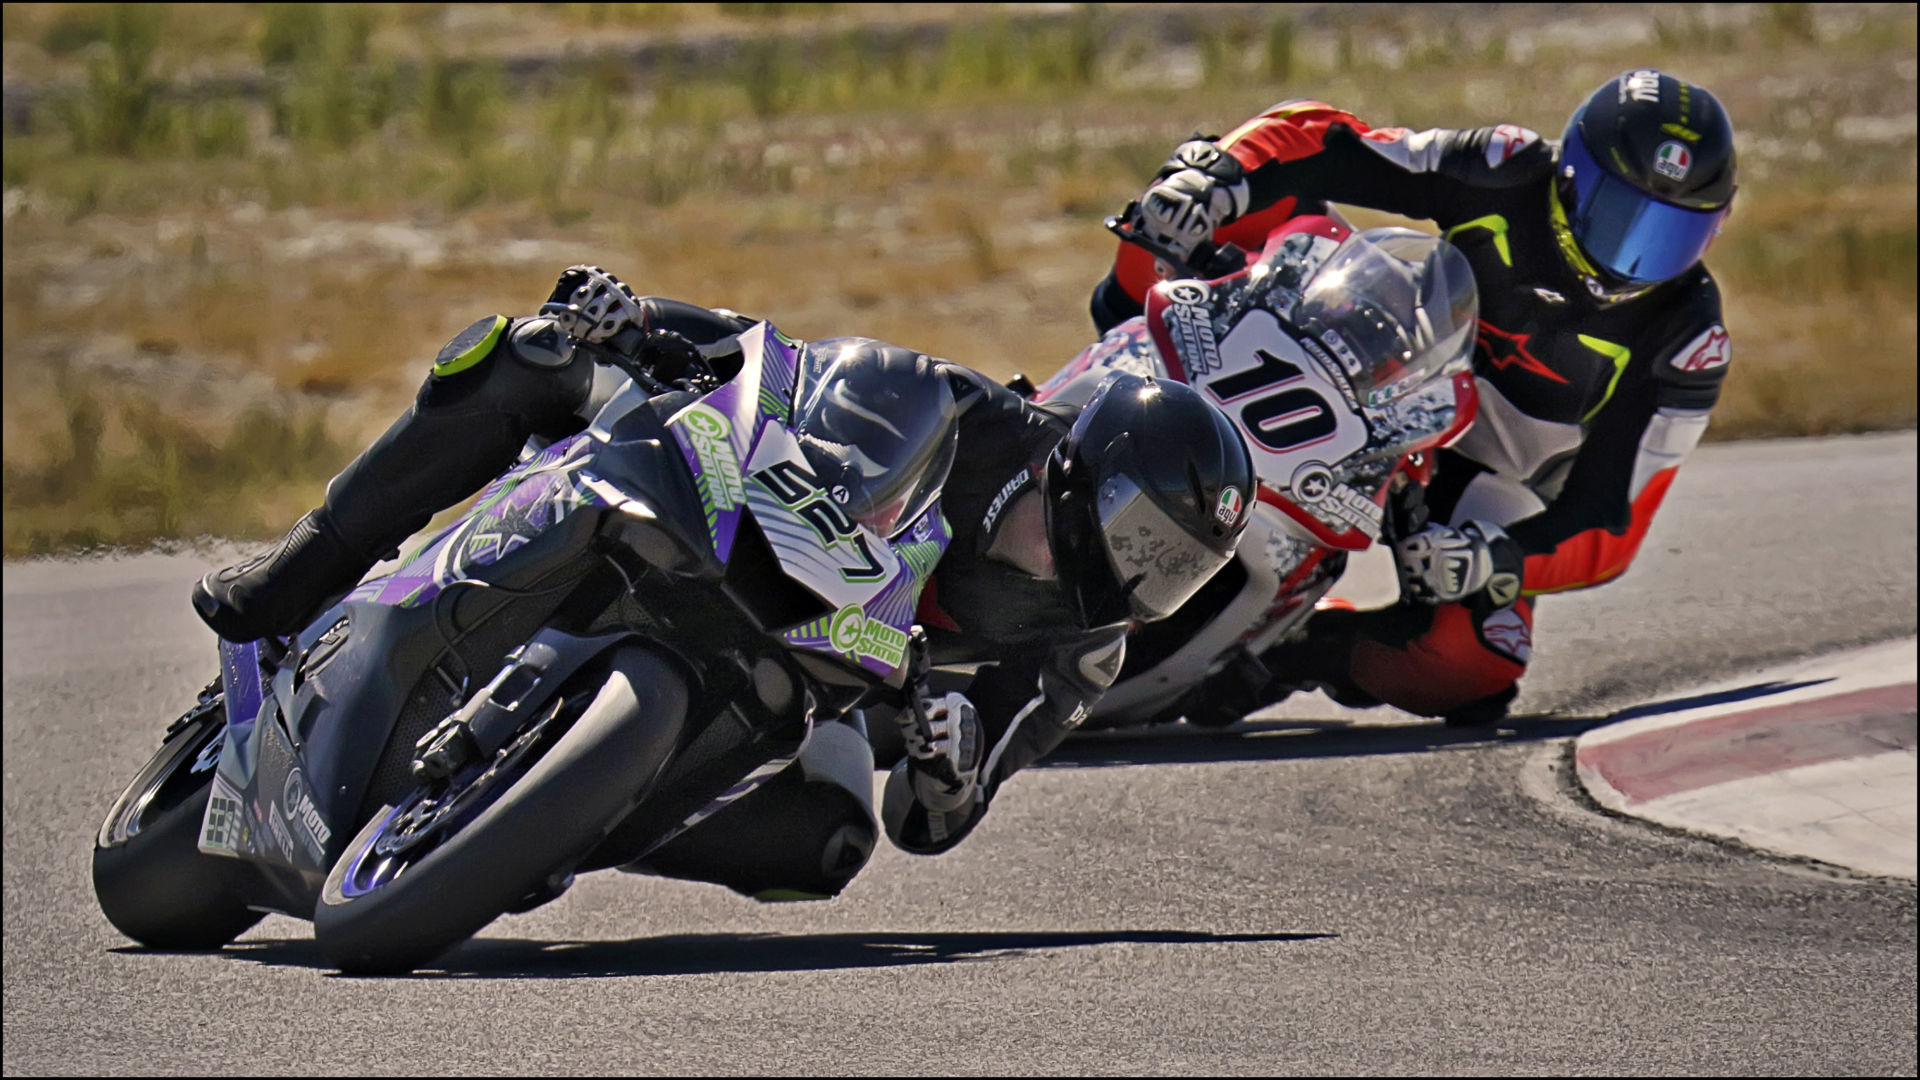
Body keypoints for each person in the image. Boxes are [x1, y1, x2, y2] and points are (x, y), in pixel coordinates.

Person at [192, 265, 1256, 892]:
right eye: (1143, 533)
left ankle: (540, 828)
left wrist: (948, 761)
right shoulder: (967, 410)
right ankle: (301, 573)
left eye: (1175, 567)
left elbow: (933, 824)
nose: (1139, 572)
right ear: (1081, 473)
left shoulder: (1082, 652)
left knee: (827, 845)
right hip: (742, 524)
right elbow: (775, 358)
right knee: (532, 353)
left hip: (835, 672)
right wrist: (642, 320)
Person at [1093, 69, 1737, 724]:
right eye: (1618, 217)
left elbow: (1610, 521)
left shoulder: (1688, 337)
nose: (1631, 259)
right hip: (1372, 363)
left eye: (1670, 236)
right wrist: (1218, 173)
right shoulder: (1507, 166)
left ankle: (1293, 652)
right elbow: (1333, 143)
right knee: (1208, 196)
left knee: (1473, 665)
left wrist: (1498, 558)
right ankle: (1106, 366)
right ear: (1570, 175)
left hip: (1480, 471)